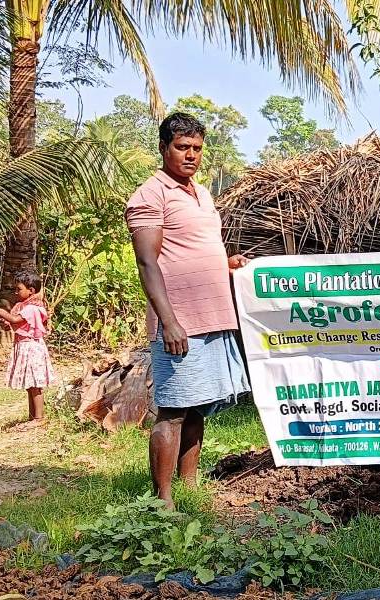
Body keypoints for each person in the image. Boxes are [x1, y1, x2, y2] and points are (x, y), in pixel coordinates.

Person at [125, 112, 251, 509]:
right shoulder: (150, 195)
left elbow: (194, 247)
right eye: (182, 147)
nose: (191, 155)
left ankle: (190, 485)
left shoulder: (201, 193)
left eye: (196, 148)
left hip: (213, 314)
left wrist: (224, 264)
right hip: (179, 322)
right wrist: (169, 321)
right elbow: (147, 263)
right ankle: (163, 501)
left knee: (198, 404)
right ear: (164, 149)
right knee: (173, 410)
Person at [0, 272, 55, 423]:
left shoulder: (31, 308)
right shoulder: (25, 307)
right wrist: (4, 320)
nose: (16, 292)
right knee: (30, 385)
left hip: (31, 349)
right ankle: (33, 418)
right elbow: (14, 323)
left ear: (31, 291)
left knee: (35, 385)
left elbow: (14, 319)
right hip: (25, 347)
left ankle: (38, 419)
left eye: (18, 289)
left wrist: (0, 311)